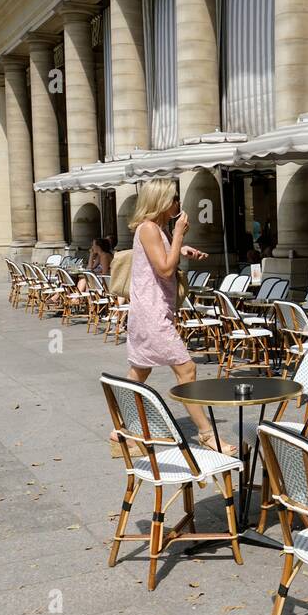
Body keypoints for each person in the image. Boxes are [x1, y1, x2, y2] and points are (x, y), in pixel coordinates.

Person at [108, 179, 221, 457]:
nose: (178, 204)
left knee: (139, 372)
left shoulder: (155, 229)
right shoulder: (149, 228)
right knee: (187, 369)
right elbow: (165, 270)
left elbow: (158, 259)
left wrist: (180, 247)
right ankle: (206, 434)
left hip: (151, 310)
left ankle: (120, 433)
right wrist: (179, 234)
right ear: (160, 201)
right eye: (173, 199)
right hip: (152, 313)